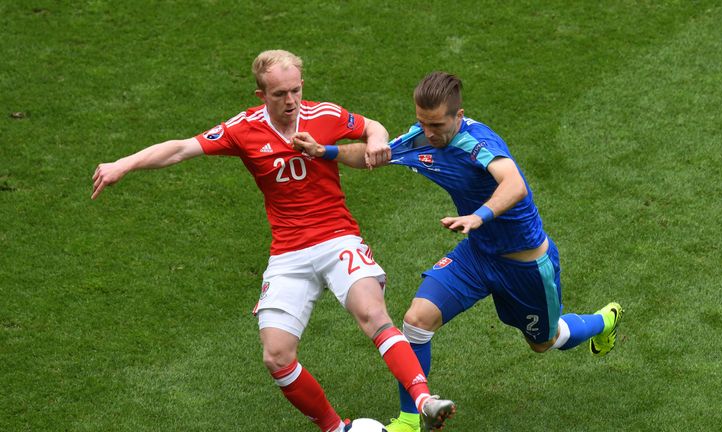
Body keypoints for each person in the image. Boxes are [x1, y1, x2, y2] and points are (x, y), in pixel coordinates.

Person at [91, 51, 455, 432]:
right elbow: (182, 148)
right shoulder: (243, 128)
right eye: (280, 93)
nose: (292, 101)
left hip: (337, 238)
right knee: (276, 356)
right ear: (261, 94)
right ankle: (335, 429)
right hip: (288, 253)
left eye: (296, 90)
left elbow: (371, 126)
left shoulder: (325, 115)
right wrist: (124, 163)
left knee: (372, 314)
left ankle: (424, 402)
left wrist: (379, 139)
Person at [292, 71, 623, 432]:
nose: (428, 133)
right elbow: (374, 156)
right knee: (416, 321)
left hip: (525, 266)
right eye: (422, 122)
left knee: (545, 341)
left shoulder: (477, 142)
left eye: (436, 124)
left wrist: (479, 217)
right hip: (477, 256)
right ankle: (408, 420)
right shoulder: (423, 139)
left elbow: (514, 184)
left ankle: (605, 320)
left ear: (458, 116)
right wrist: (325, 151)